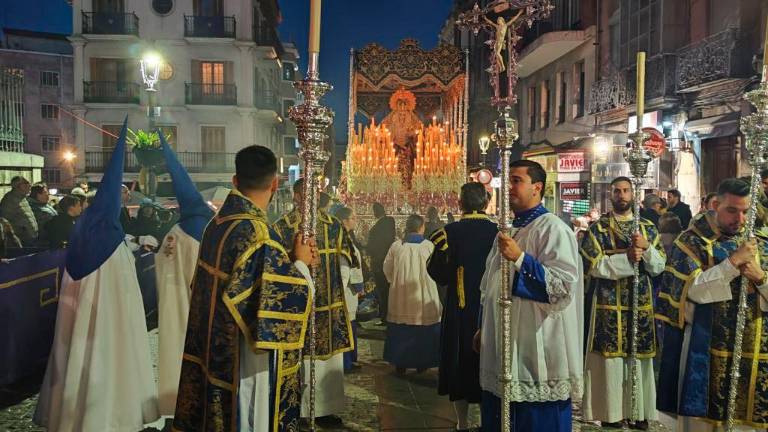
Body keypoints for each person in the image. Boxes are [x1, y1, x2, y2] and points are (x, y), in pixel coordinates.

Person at [173, 145, 317, 432]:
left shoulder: (217, 226)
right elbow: (285, 306)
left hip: (214, 344)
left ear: (235, 181)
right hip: (246, 356)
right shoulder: (259, 236)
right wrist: (300, 264)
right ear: (275, 184)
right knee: (251, 416)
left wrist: (286, 259)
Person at [34, 122, 161, 431]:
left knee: (76, 355)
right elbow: (127, 296)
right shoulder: (113, 245)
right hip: (110, 325)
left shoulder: (81, 233)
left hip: (77, 321)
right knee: (108, 361)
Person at [476, 160, 583, 432]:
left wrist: (520, 258)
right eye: (509, 180)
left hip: (535, 342)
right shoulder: (508, 230)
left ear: (537, 187)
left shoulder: (554, 229)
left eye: (516, 180)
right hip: (502, 340)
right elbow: (489, 284)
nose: (510, 187)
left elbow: (562, 287)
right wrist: (483, 326)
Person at [656, 178, 768, 432]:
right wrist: (731, 265)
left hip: (755, 352)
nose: (739, 219)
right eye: (732, 210)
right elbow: (691, 293)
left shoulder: (761, 244)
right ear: (715, 204)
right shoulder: (690, 242)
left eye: (746, 211)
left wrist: (760, 277)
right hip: (704, 350)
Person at [580, 176, 666, 430]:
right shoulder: (599, 228)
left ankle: (640, 412)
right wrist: (627, 260)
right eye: (617, 191)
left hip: (641, 304)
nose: (621, 195)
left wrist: (646, 248)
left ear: (633, 194)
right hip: (609, 304)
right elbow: (592, 266)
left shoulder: (648, 228)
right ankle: (612, 412)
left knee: (640, 358)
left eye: (626, 190)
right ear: (610, 194)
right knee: (610, 360)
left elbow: (659, 266)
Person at [272, 178, 356, 427]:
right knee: (298, 361)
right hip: (296, 306)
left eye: (314, 193)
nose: (310, 198)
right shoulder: (281, 228)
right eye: (304, 194)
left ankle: (325, 409)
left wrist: (340, 292)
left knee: (326, 360)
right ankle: (297, 409)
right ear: (296, 197)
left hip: (328, 305)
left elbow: (345, 262)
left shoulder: (333, 226)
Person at [427, 182, 497, 431]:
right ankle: (488, 420)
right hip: (491, 309)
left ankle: (462, 422)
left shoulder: (448, 233)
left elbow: (438, 272)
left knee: (460, 361)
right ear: (487, 203)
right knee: (488, 360)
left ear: (460, 203)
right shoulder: (498, 232)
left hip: (460, 306)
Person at [154, 132, 215, 418]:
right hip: (197, 308)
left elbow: (160, 263)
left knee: (173, 353)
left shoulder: (173, 232)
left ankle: (174, 406)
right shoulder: (204, 232)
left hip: (172, 304)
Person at [382, 214, 442, 373]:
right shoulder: (429, 246)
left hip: (400, 295)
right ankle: (423, 363)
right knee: (424, 330)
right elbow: (438, 270)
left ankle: (400, 363)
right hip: (423, 295)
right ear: (421, 227)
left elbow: (387, 269)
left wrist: (396, 282)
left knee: (401, 330)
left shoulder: (396, 246)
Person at [336, 206, 365, 372]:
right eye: (353, 217)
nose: (356, 220)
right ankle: (347, 362)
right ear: (344, 221)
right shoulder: (344, 242)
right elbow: (348, 269)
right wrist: (359, 285)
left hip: (347, 291)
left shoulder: (345, 238)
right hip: (345, 291)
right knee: (346, 326)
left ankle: (350, 360)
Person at [367, 201, 397, 323]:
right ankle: (389, 314)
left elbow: (373, 246)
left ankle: (385, 316)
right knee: (388, 289)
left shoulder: (376, 229)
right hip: (389, 260)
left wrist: (366, 249)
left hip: (379, 262)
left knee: (382, 290)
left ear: (375, 213)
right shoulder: (390, 222)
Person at [0, 176, 37, 246]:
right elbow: (5, 221)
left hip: (30, 240)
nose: (29, 186)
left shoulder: (23, 198)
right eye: (26, 183)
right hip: (21, 242)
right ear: (18, 186)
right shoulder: (10, 200)